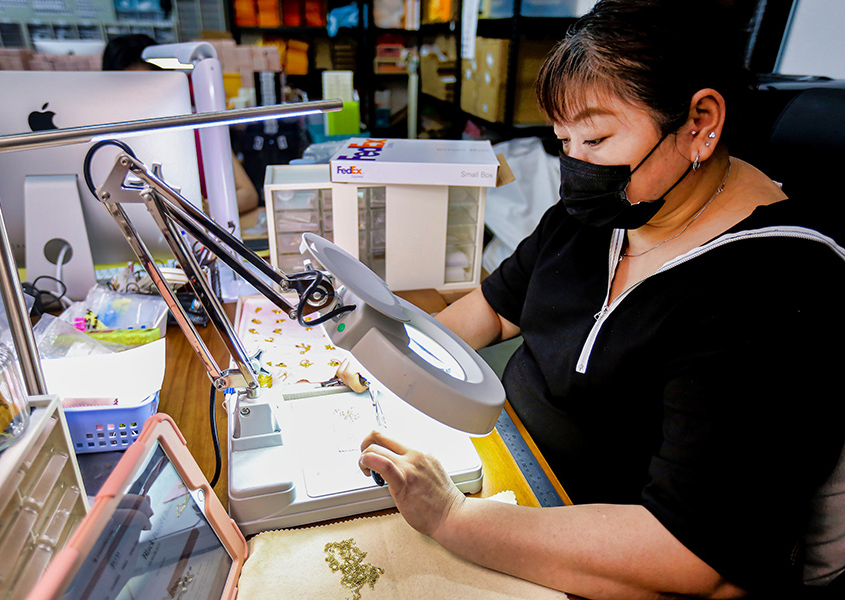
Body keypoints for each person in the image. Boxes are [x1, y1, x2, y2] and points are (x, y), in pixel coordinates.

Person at [358, 1, 845, 598]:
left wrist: (453, 518)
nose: (576, 166)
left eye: (596, 137)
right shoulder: (599, 214)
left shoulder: (772, 288)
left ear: (700, 121)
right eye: (564, 140)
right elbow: (491, 308)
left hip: (606, 559)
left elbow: (685, 554)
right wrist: (392, 358)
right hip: (519, 474)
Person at [102, 34, 260, 218]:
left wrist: (204, 210)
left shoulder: (195, 128)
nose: (138, 99)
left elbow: (248, 194)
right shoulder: (103, 141)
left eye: (145, 87)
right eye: (128, 90)